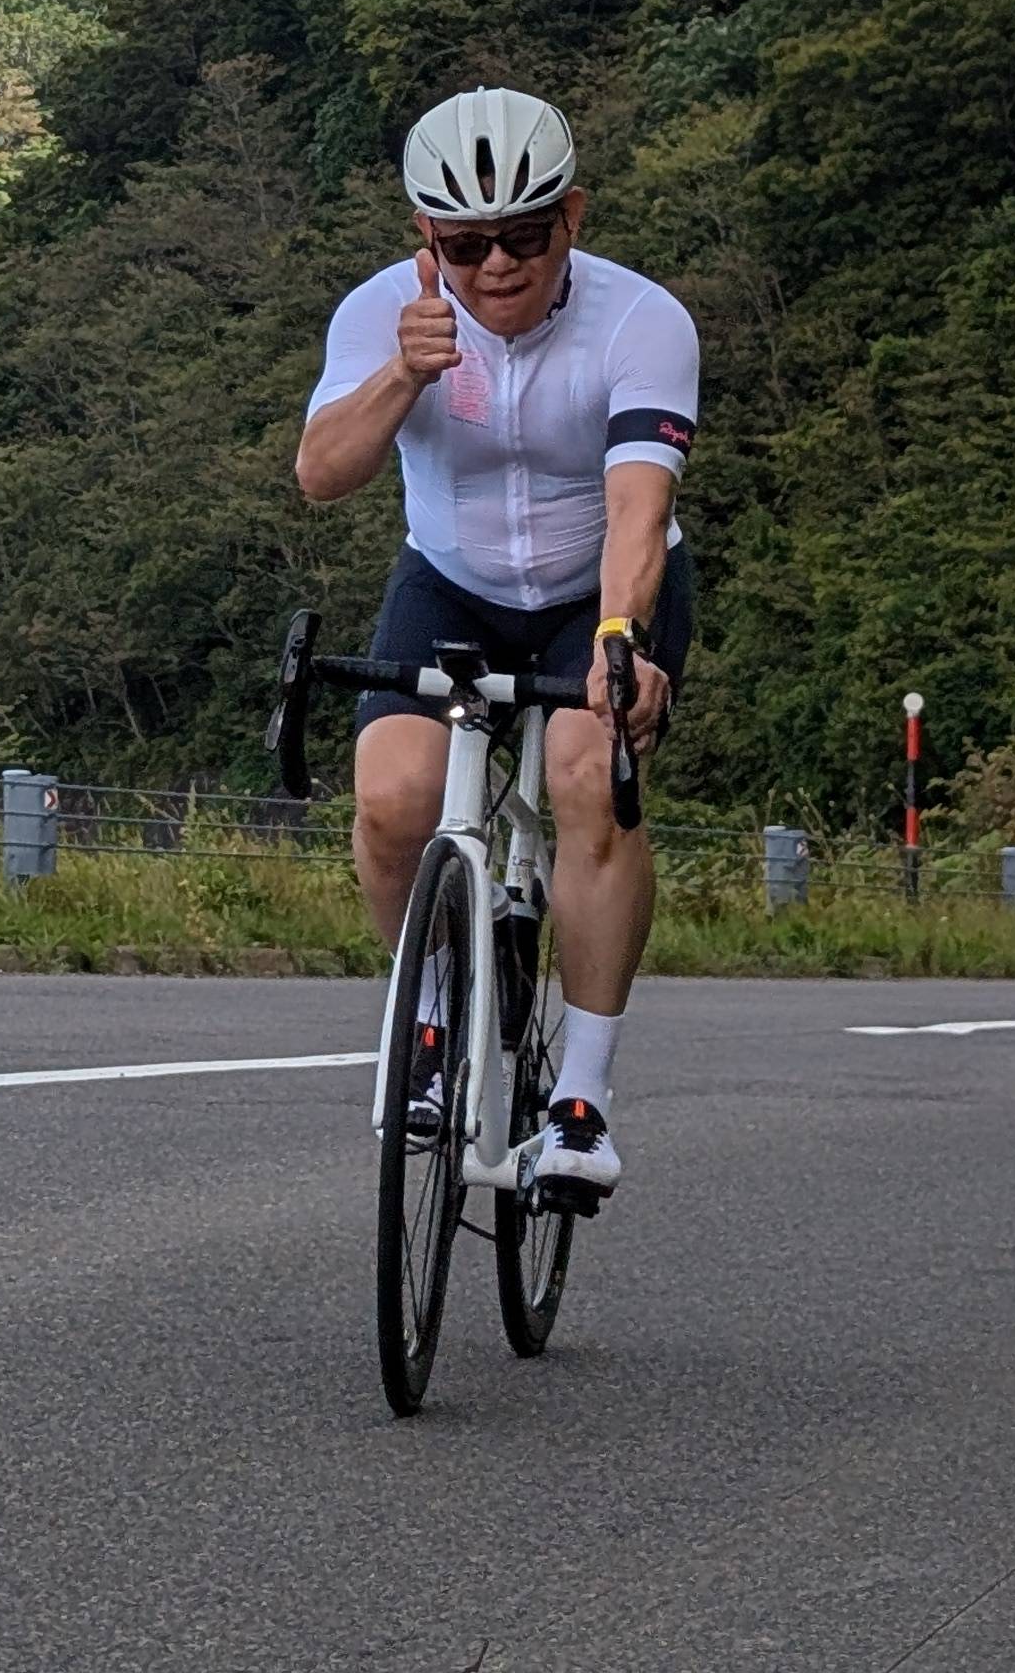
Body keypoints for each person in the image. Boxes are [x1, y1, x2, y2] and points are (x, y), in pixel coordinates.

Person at [291, 86, 696, 1206]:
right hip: (451, 580)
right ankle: (429, 1018)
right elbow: (321, 476)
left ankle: (583, 1098)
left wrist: (620, 641)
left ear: (572, 216)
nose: (498, 268)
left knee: (583, 778)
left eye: (524, 235)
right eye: (467, 245)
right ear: (427, 238)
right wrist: (404, 374)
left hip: (594, 589)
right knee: (388, 801)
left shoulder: (640, 320)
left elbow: (635, 507)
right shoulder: (385, 315)